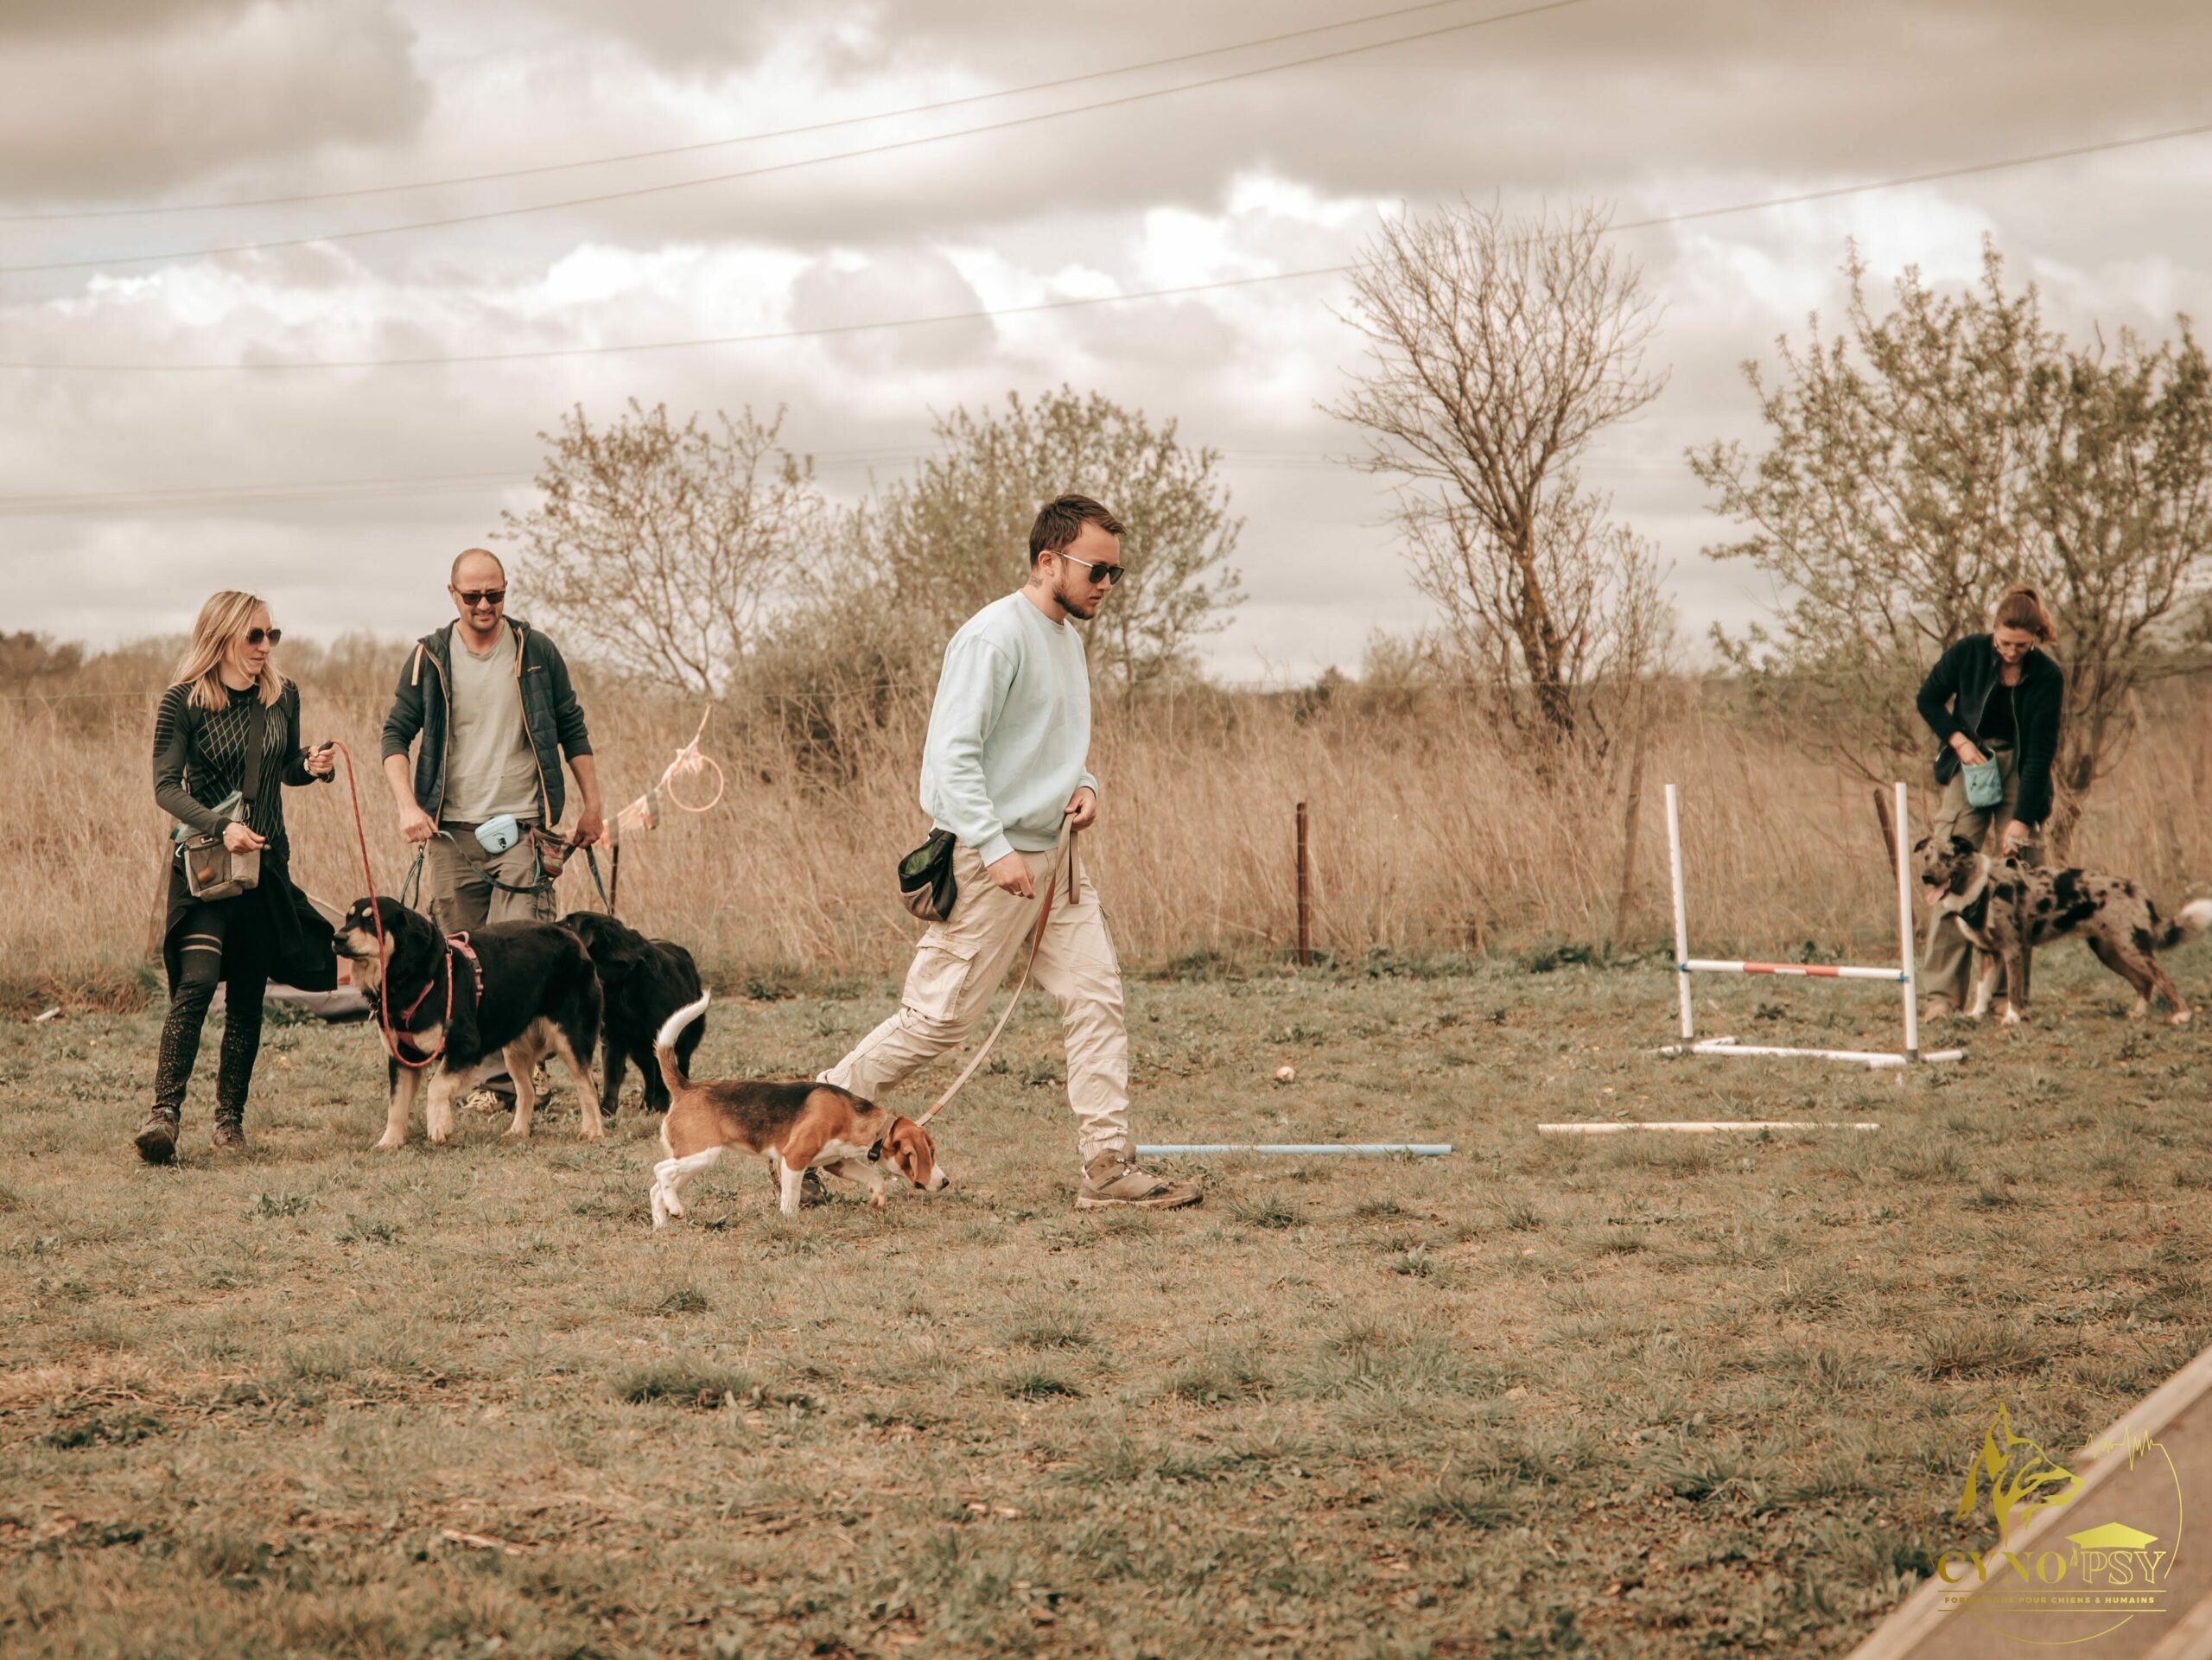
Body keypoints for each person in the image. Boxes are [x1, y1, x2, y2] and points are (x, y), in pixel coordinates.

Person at [819, 494, 1201, 1212]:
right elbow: (951, 757)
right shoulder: (994, 636)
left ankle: (1107, 1168)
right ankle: (810, 1129)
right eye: (1098, 570)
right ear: (1048, 560)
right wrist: (995, 848)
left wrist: (1085, 784)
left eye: (1117, 573)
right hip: (991, 864)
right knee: (937, 1022)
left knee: (1095, 997)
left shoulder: (1069, 640)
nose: (1107, 586)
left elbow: (1055, 746)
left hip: (1057, 862)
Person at [380, 549, 602, 1106]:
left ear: (506, 591)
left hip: (522, 829)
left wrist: (591, 804)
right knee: (457, 961)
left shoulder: (537, 652)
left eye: (494, 594)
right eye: (472, 595)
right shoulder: (428, 658)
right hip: (451, 834)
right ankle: (481, 1075)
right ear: (451, 594)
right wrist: (409, 806)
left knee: (520, 956)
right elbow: (393, 738)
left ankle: (517, 1081)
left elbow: (571, 727)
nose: (484, 605)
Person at [140, 592, 337, 1162]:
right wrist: (221, 825)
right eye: (255, 635)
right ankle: (164, 1116)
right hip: (205, 866)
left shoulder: (283, 696)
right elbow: (165, 787)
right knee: (197, 981)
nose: (265, 646)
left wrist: (311, 766)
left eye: (271, 635)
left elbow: (284, 769)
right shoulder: (184, 701)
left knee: (249, 996)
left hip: (264, 868)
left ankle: (230, 1122)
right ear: (223, 634)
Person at [1915, 582, 2065, 1019]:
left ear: (2036, 637)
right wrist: (1958, 740)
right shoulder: (1968, 653)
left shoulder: (2048, 676)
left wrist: (2021, 819)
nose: (2012, 652)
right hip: (1970, 764)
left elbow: (2040, 752)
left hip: (2022, 770)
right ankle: (1941, 998)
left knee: (2019, 886)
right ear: (1993, 630)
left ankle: (2007, 1001)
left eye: (2022, 645)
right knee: (1947, 872)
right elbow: (1928, 700)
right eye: (2005, 643)